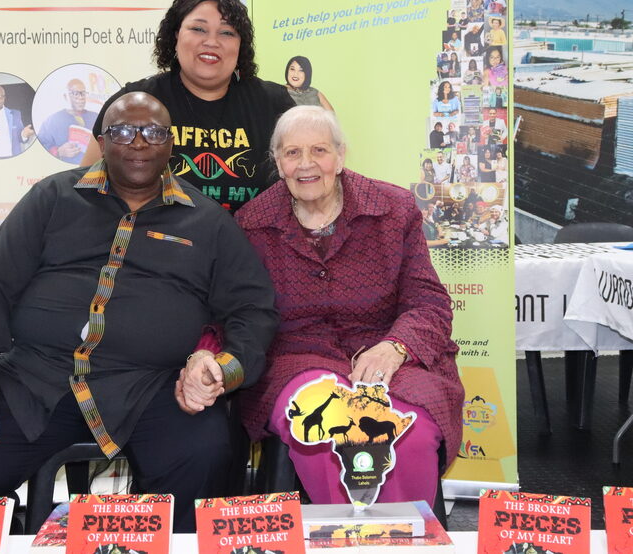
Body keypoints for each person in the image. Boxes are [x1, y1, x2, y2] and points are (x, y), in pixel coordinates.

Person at [0, 93, 279, 532]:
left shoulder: (208, 222)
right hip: (37, 378)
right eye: (123, 131)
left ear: (171, 144)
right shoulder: (52, 197)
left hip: (151, 386)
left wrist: (226, 368)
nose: (139, 142)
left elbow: (253, 309)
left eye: (153, 132)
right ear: (101, 140)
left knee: (204, 455)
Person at [178, 105, 462, 506]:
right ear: (277, 162)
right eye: (292, 153)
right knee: (326, 428)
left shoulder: (394, 209)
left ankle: (407, 535)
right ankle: (346, 536)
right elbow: (232, 311)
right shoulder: (252, 223)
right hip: (297, 360)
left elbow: (428, 301)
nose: (306, 164)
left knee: (408, 433)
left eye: (319, 150)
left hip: (391, 358)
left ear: (340, 156)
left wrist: (394, 348)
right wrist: (205, 356)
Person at [82, 0, 295, 213]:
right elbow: (85, 193)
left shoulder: (274, 104)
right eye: (198, 29)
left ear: (240, 43)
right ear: (176, 35)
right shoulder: (133, 104)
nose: (211, 41)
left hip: (251, 236)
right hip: (152, 235)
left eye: (227, 32)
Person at [37, 78, 99, 164]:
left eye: (83, 93)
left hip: (93, 168)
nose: (81, 97)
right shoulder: (52, 121)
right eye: (76, 93)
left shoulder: (96, 117)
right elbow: (40, 149)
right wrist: (58, 152)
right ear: (65, 96)